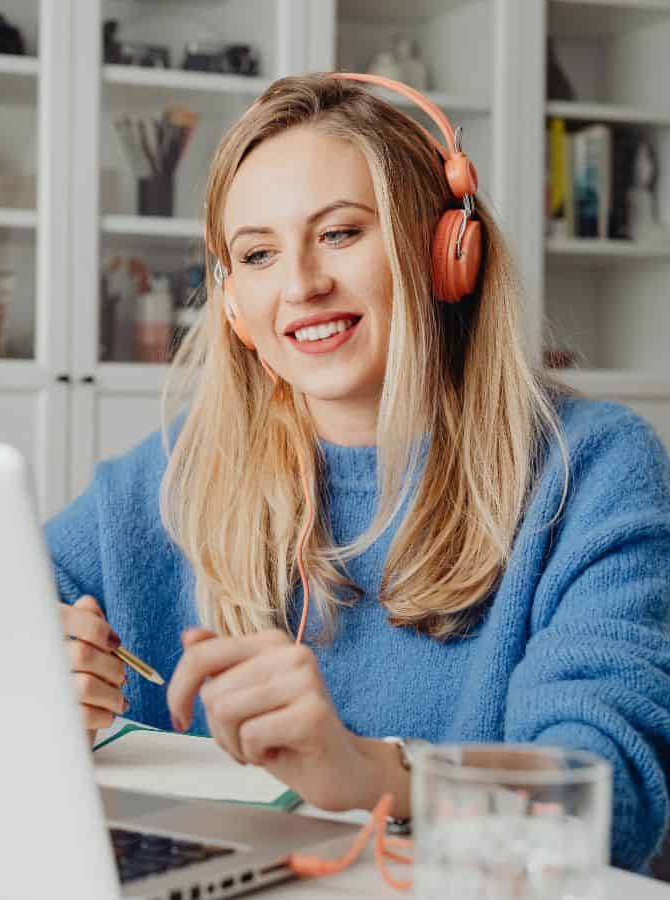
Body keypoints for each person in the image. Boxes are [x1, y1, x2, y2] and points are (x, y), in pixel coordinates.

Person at [45, 73, 670, 873]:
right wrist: (34, 683)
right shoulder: (172, 475)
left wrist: (379, 776)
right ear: (233, 304)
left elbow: (606, 800)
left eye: (339, 233)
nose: (301, 284)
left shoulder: (594, 468)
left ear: (448, 251)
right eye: (259, 253)